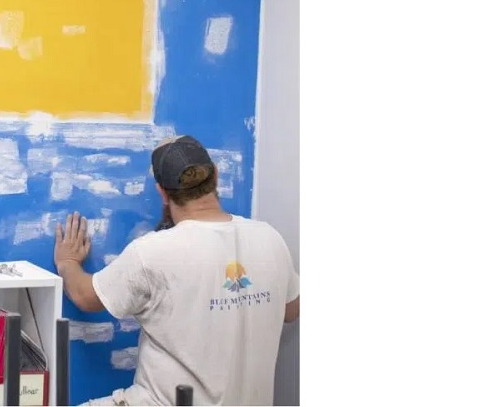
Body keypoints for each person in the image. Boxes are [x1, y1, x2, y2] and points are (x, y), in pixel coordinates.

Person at [53, 135, 300, 406]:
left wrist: (68, 262)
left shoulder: (153, 252)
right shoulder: (269, 238)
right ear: (216, 175)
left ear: (162, 192)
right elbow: (291, 310)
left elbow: (85, 296)